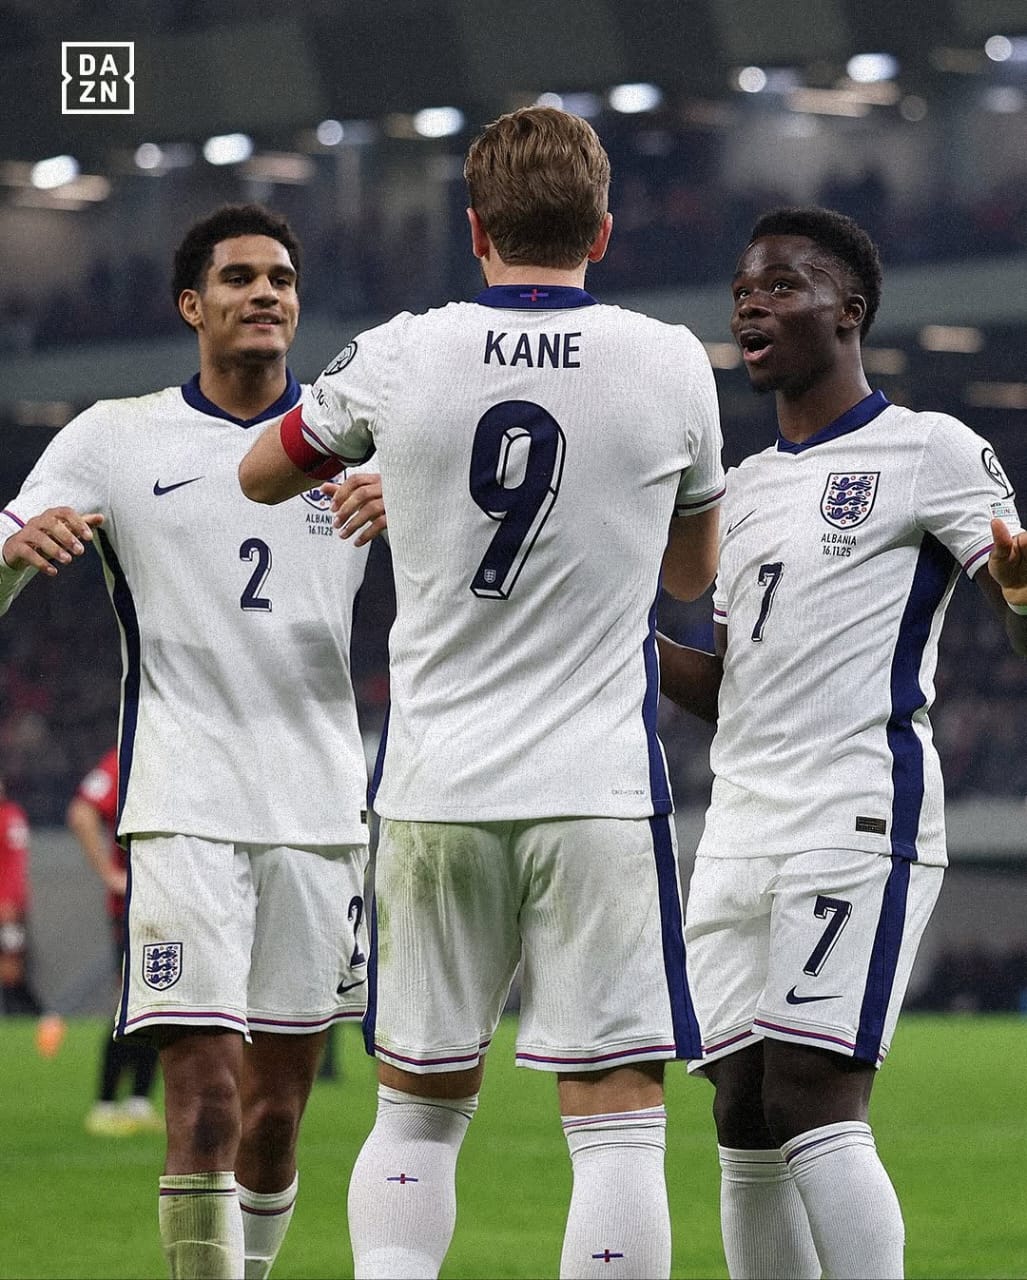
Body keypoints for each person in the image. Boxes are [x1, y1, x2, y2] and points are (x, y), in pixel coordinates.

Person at [240, 105, 725, 1280]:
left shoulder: (402, 350)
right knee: (615, 1118)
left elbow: (260, 471)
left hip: (436, 784)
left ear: (475, 229)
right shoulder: (669, 358)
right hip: (598, 791)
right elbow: (690, 578)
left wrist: (404, 483)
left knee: (414, 1109)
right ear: (604, 232)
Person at [0, 203, 383, 1280]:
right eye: (239, 277)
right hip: (182, 808)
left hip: (319, 813)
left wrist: (416, 509)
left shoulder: (360, 435)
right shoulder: (115, 437)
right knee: (206, 1097)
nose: (265, 292)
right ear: (192, 305)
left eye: (281, 277)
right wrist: (21, 549)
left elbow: (488, 571)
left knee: (275, 1116)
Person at [658, 205, 1027, 1280]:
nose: (749, 302)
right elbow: (729, 687)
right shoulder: (743, 489)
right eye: (742, 286)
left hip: (854, 810)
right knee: (740, 1105)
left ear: (848, 310)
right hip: (738, 821)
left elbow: (1011, 607)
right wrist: (619, 646)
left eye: (779, 285)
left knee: (812, 1088)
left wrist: (1020, 593)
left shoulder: (927, 449)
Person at [68, 746, 163, 1136]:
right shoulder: (129, 754)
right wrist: (110, 874)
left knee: (162, 1000)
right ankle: (105, 1102)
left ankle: (139, 1100)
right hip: (135, 906)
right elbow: (82, 812)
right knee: (131, 1000)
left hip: (173, 903)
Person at [0, 775, 43, 1015]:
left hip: (8, 909)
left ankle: (39, 1019)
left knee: (11, 967)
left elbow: (16, 866)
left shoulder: (11, 817)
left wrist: (10, 903)